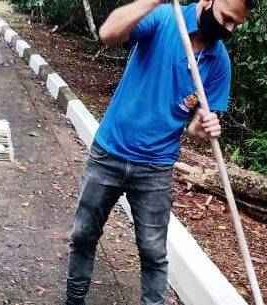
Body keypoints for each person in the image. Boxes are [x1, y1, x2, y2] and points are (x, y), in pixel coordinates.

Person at [66, 0, 254, 304]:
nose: (229, 29)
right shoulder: (166, 19)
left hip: (156, 167)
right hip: (110, 151)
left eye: (236, 24)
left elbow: (195, 127)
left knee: (154, 252)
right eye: (227, 19)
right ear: (207, 1)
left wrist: (205, 128)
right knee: (83, 235)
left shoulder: (219, 63)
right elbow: (108, 33)